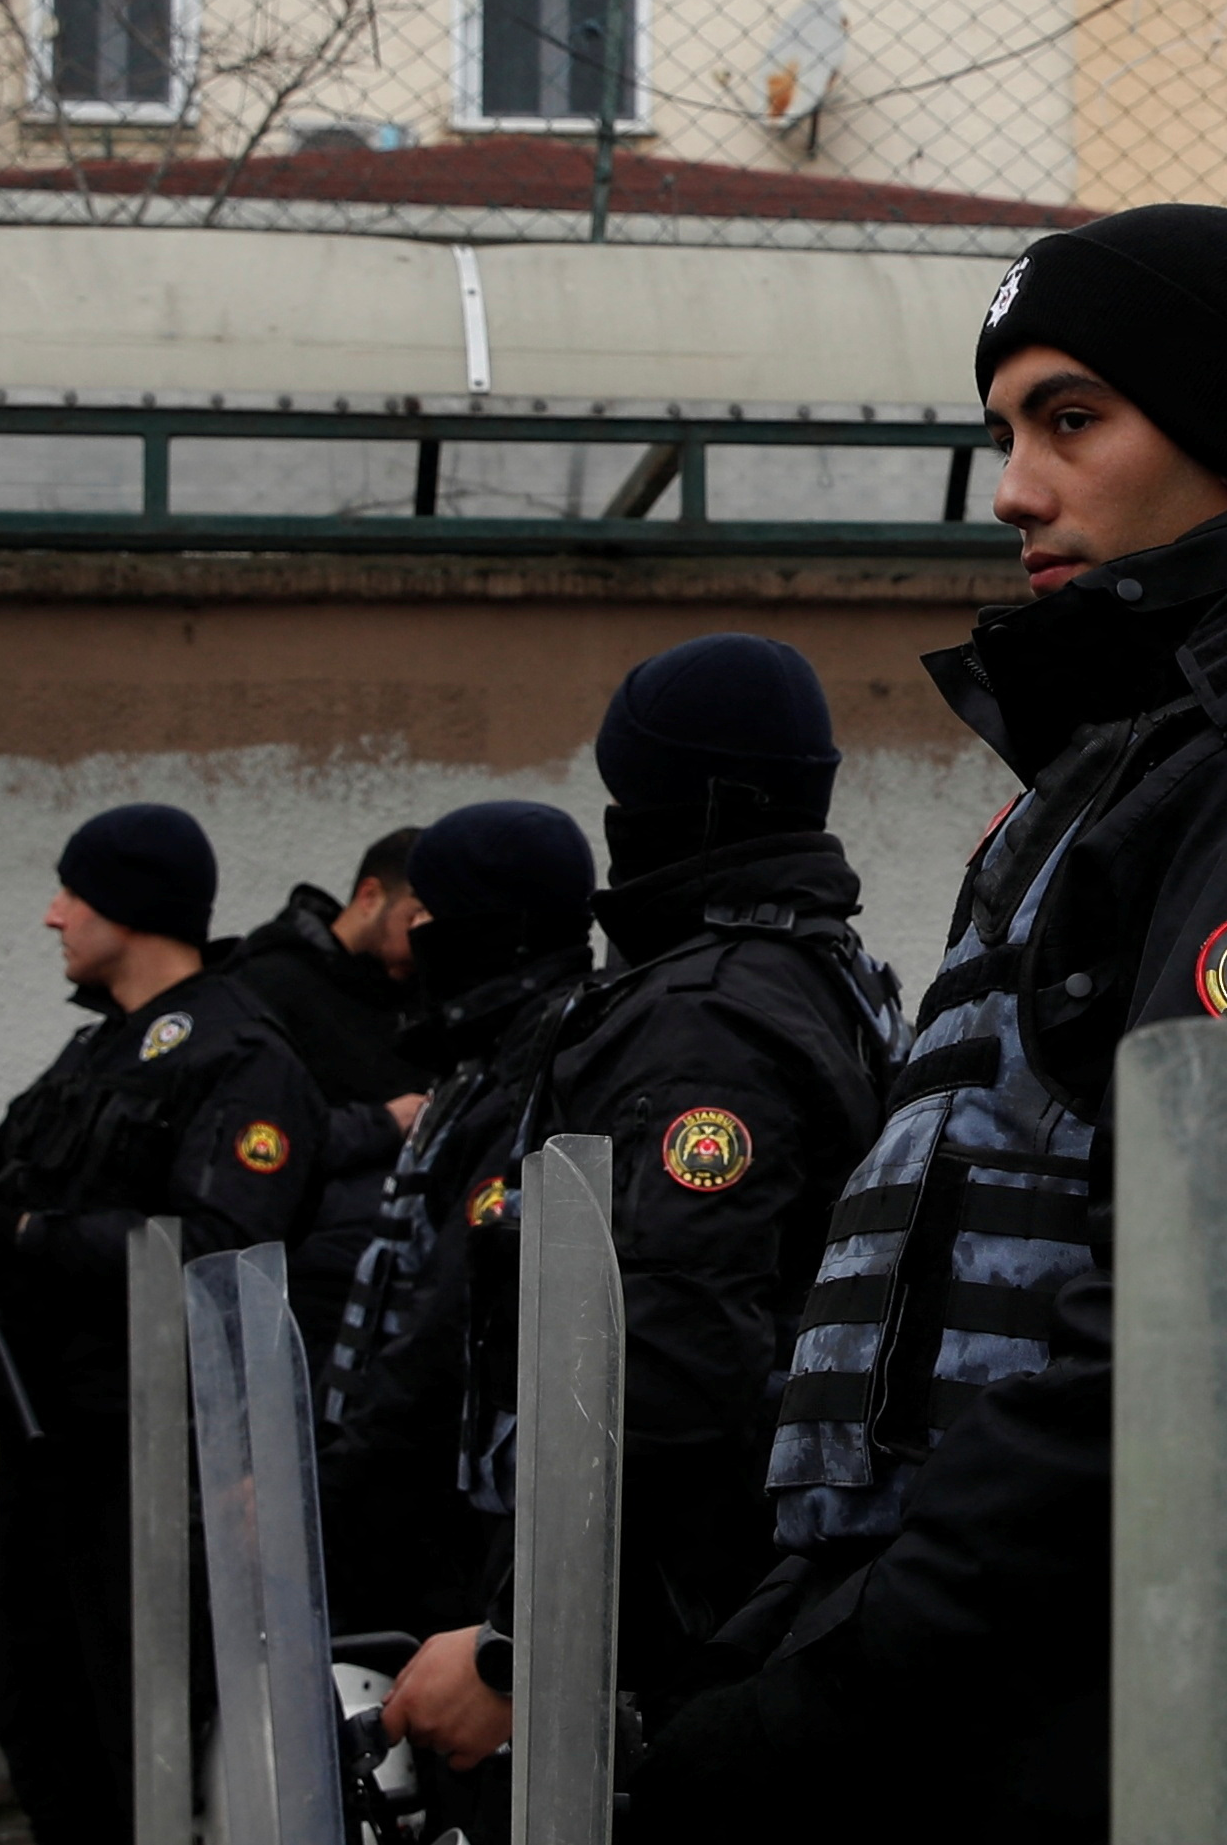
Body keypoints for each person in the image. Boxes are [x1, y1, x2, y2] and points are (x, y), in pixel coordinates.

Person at [626, 203, 1227, 1841]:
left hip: (1132, 1716)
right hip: (1028, 1680)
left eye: (1071, 419)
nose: (1013, 487)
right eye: (1004, 429)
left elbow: (1222, 1325)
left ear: (1222, 428)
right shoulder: (1157, 755)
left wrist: (857, 1679)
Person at [374, 638, 901, 1779]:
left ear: (696, 805)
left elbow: (664, 1364)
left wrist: (527, 1648)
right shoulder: (815, 977)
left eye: (629, 797)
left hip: (670, 1623)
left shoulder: (703, 1019)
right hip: (724, 1601)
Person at [0, 804, 323, 1845]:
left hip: (147, 1459)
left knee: (134, 1725)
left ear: (132, 908)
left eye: (73, 894)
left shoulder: (240, 1055)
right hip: (43, 1440)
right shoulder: (97, 1053)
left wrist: (20, 1232)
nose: (53, 917)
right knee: (35, 1713)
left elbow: (221, 1246)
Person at [315, 800, 599, 1660]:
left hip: (453, 1521)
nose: (414, 942)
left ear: (489, 928)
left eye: (432, 917)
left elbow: (451, 1311)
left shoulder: (545, 1061)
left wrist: (335, 1481)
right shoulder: (481, 1058)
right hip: (410, 1497)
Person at [212, 825, 431, 1351]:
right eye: (415, 916)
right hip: (296, 1280)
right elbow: (254, 1141)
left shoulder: (419, 992)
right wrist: (386, 1122)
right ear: (370, 897)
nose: (427, 934)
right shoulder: (268, 986)